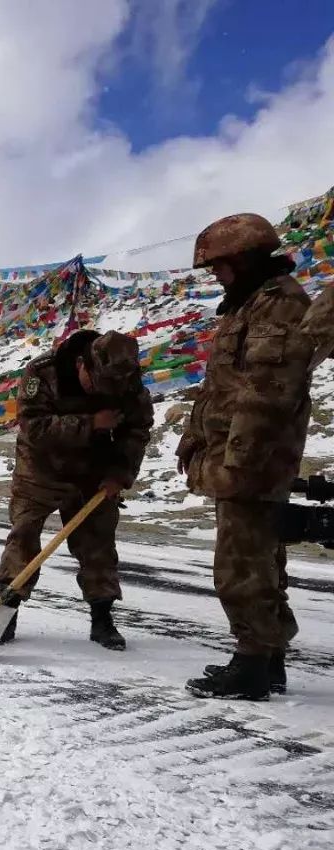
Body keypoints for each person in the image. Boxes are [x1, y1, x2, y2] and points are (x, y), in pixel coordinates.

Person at [178, 214, 314, 701]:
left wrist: (237, 463)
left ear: (245, 258)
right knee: (260, 560)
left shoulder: (279, 306)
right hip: (240, 455)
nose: (215, 275)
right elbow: (221, 391)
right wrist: (195, 438)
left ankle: (253, 664)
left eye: (220, 266)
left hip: (253, 460)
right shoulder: (247, 306)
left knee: (239, 565)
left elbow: (265, 396)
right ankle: (268, 657)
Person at [0, 329, 154, 649]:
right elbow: (33, 427)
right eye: (97, 384)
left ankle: (102, 618)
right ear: (82, 364)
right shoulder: (43, 373)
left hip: (93, 472)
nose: (103, 392)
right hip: (41, 468)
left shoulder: (127, 382)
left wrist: (120, 474)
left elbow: (137, 429)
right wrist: (91, 423)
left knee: (98, 545)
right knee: (23, 535)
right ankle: (5, 611)